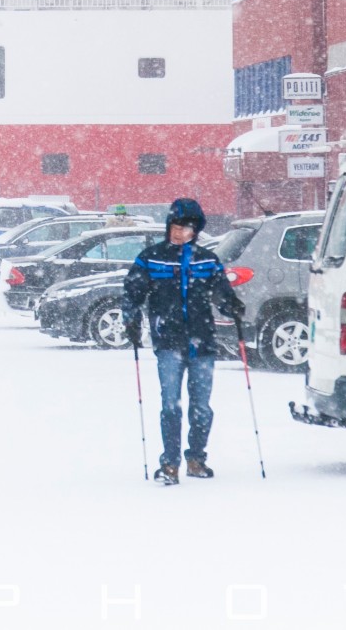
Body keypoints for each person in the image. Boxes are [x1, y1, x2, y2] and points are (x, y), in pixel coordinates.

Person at [121, 198, 244, 485]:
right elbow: (132, 291)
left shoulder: (207, 260)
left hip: (202, 343)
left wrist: (232, 306)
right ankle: (170, 464)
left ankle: (196, 458)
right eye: (175, 226)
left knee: (201, 406)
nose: (179, 232)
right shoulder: (151, 257)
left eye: (186, 227)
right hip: (168, 342)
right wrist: (130, 319)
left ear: (196, 230)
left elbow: (221, 292)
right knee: (171, 406)